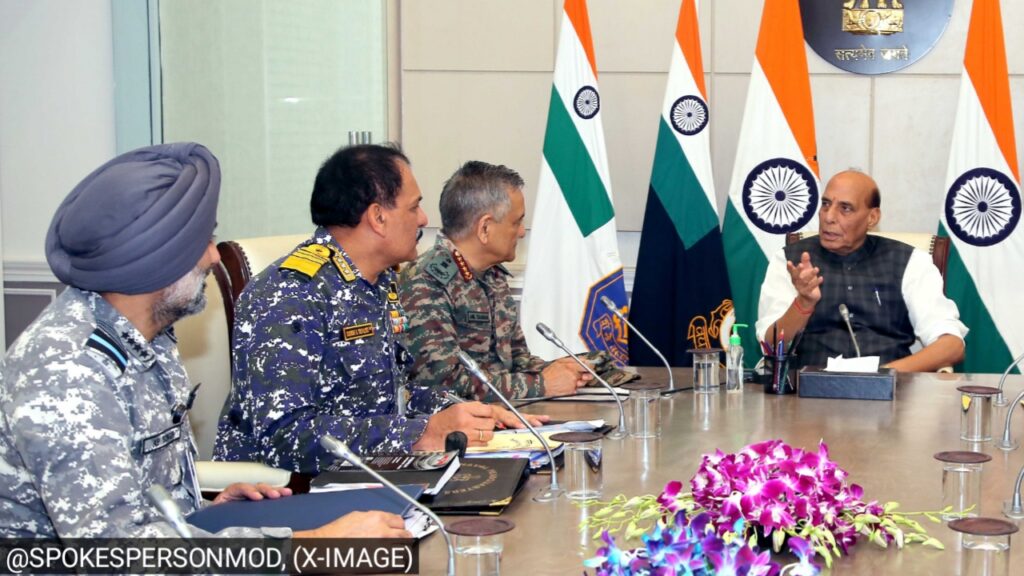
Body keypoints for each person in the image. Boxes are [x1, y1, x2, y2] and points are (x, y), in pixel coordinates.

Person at [0, 143, 408, 539]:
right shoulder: (68, 373)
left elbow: (146, 504)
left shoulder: (148, 338)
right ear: (156, 255)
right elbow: (121, 557)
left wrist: (204, 509)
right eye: (202, 242)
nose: (214, 257)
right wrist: (310, 547)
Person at [215, 145, 537, 475]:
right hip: (293, 491)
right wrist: (419, 433)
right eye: (414, 207)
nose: (424, 220)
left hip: (374, 472)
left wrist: (467, 411)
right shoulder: (290, 293)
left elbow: (391, 396)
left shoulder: (378, 283)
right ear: (378, 217)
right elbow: (284, 438)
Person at [400, 161, 591, 401]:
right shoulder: (426, 281)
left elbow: (518, 361)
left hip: (508, 413)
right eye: (516, 222)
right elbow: (442, 382)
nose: (521, 232)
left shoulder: (493, 276)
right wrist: (542, 384)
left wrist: (564, 371)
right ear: (485, 228)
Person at [757, 170, 967, 371]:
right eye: (826, 204)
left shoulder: (909, 262)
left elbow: (951, 345)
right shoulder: (791, 261)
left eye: (845, 208)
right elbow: (772, 346)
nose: (829, 217)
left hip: (892, 390)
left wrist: (884, 375)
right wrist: (803, 303)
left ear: (872, 217)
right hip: (807, 388)